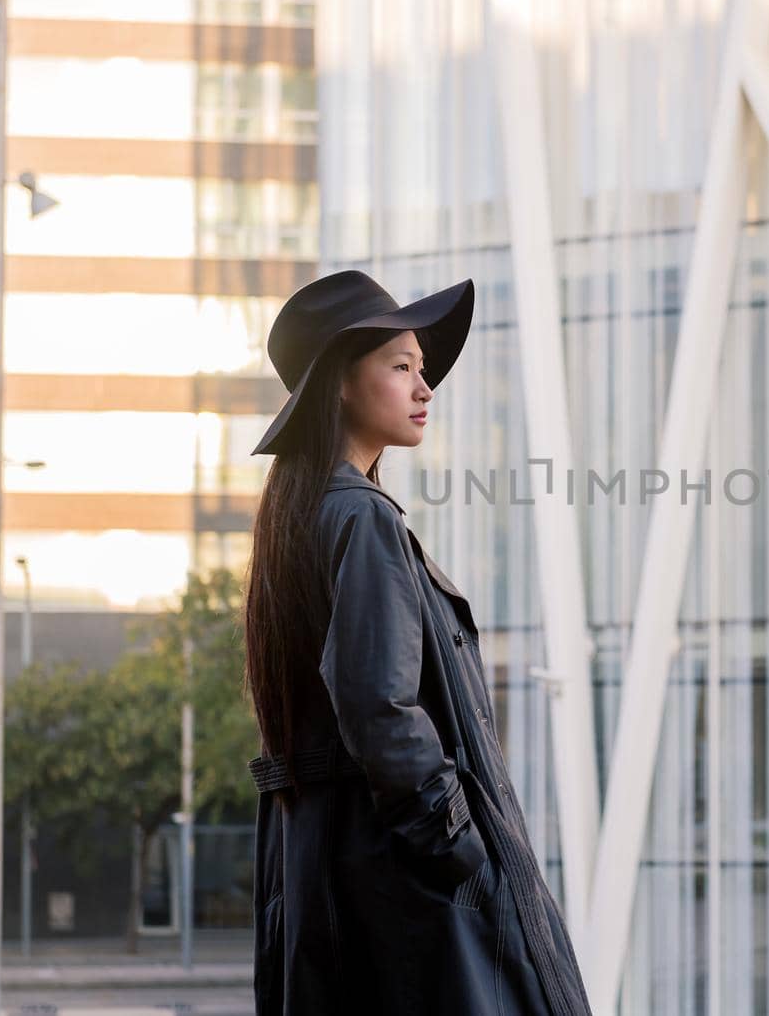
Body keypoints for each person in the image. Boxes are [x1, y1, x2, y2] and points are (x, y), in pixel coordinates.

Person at [241, 270, 593, 1014]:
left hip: (328, 874)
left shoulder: (299, 520)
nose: (424, 387)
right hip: (400, 890)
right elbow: (380, 707)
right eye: (401, 366)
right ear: (339, 382)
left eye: (421, 370)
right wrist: (460, 849)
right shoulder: (361, 518)